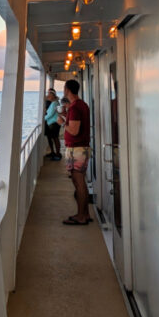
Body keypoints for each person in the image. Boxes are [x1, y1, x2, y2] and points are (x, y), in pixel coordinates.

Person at [57, 79, 92, 225]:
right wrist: (67, 115)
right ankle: (86, 214)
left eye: (64, 88)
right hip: (79, 148)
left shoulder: (76, 107)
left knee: (79, 182)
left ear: (67, 90)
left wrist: (62, 123)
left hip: (77, 149)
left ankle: (81, 216)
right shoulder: (79, 105)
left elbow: (75, 130)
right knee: (80, 181)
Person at [43, 89, 61, 160]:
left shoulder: (54, 103)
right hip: (52, 123)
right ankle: (55, 153)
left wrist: (43, 119)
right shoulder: (54, 102)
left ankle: (58, 154)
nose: (48, 97)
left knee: (55, 138)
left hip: (54, 124)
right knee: (53, 138)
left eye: (49, 96)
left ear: (53, 96)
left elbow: (50, 114)